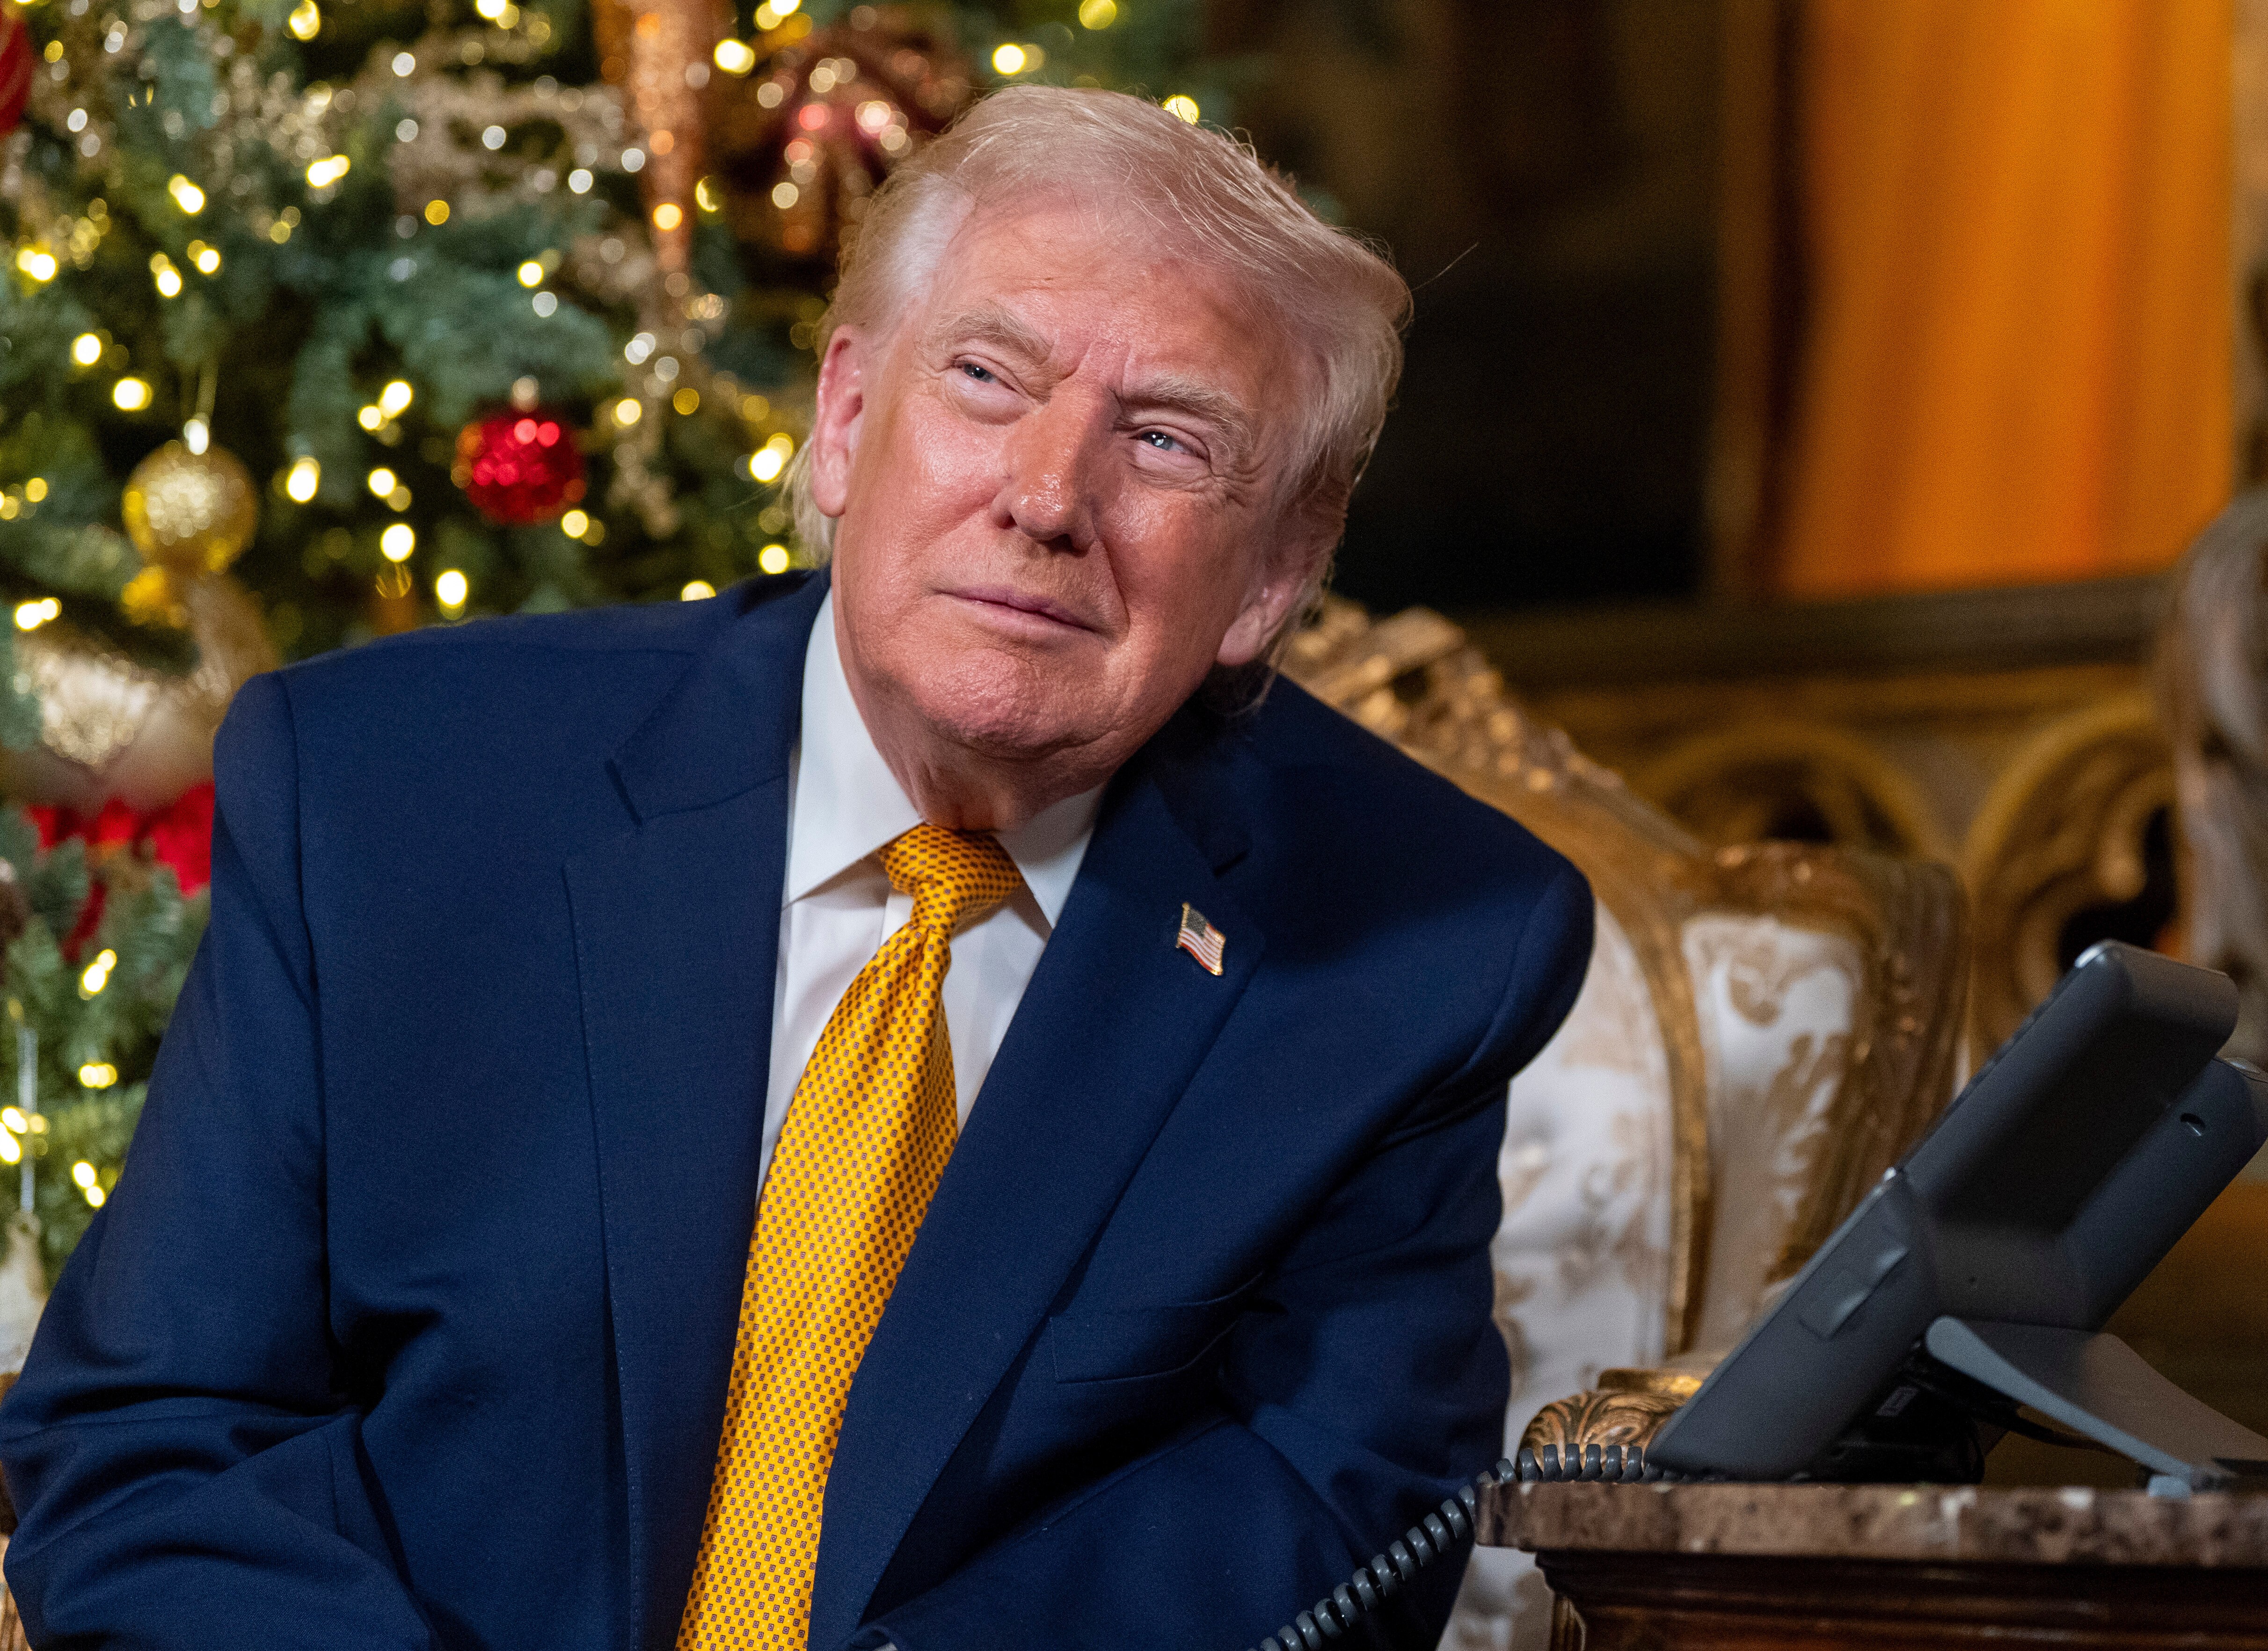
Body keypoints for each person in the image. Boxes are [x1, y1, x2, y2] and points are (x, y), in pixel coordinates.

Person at [0, 87, 1590, 1650]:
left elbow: (1328, 1523)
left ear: (1273, 581)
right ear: (843, 421)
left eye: (1166, 440)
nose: (1047, 499)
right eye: (986, 377)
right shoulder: (389, 795)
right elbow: (155, 1440)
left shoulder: (1418, 947)